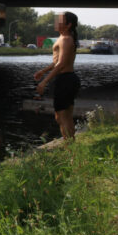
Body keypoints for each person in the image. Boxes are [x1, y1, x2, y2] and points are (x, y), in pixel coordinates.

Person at [34, 11, 81, 140]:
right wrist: (43, 71)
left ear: (68, 24)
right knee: (66, 116)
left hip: (65, 80)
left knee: (61, 117)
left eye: (59, 20)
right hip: (67, 79)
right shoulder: (63, 38)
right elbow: (57, 62)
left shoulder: (66, 39)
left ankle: (69, 146)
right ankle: (71, 145)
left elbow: (61, 64)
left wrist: (44, 81)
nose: (56, 22)